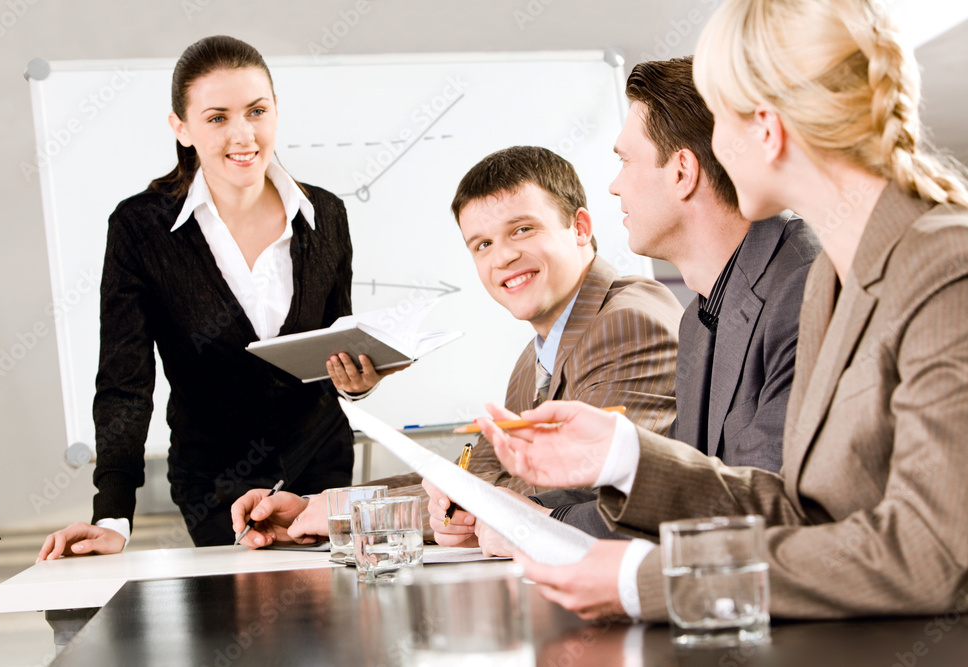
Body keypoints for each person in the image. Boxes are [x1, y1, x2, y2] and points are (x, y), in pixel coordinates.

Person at [479, 0, 968, 622]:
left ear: (766, 127)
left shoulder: (946, 263)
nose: (710, 146)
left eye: (719, 118)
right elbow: (800, 514)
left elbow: (931, 556)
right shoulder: (831, 284)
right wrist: (625, 453)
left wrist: (648, 580)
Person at [427, 56, 821, 548]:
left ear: (682, 172)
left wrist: (541, 526)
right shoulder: (704, 315)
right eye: (481, 244)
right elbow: (684, 485)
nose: (614, 184)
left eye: (625, 161)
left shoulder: (805, 289)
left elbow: (764, 510)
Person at [37, 35, 400, 560]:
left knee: (328, 628)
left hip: (321, 470)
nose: (243, 134)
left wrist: (358, 384)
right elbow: (124, 383)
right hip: (214, 483)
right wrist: (113, 514)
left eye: (257, 111)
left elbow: (335, 345)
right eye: (217, 117)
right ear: (180, 128)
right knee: (238, 633)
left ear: (276, 110)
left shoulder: (325, 215)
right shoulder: (141, 229)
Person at [230, 146, 685, 548]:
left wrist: (344, 517)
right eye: (482, 244)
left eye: (522, 229)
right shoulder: (535, 359)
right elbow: (474, 481)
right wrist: (322, 505)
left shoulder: (628, 320)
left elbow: (586, 495)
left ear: (580, 227)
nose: (502, 257)